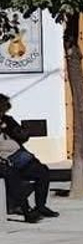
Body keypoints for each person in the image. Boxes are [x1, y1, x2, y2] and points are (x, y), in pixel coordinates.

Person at [0, 93, 56, 222]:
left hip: (17, 156)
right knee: (13, 177)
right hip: (3, 161)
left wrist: (14, 130)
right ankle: (26, 211)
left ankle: (41, 206)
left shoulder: (7, 120)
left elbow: (23, 137)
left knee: (42, 171)